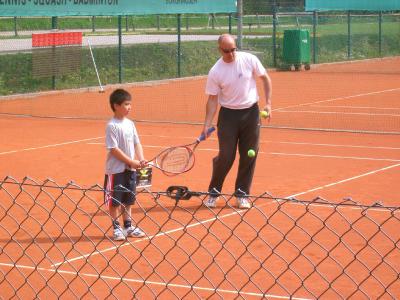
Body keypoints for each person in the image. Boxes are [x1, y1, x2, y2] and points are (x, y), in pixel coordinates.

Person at [202, 33, 272, 209]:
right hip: (228, 116)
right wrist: (207, 123)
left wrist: (268, 104)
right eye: (227, 51)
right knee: (226, 156)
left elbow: (265, 79)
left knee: (250, 154)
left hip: (251, 113)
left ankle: (242, 194)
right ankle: (213, 192)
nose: (231, 54)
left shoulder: (249, 59)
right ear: (220, 50)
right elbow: (212, 99)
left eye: (233, 49)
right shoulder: (216, 71)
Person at [104, 88, 146, 241]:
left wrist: (140, 159)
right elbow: (114, 149)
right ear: (116, 105)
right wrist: (131, 162)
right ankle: (116, 228)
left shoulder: (130, 124)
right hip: (115, 171)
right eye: (126, 104)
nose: (130, 107)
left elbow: (137, 143)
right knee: (114, 201)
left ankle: (128, 227)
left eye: (130, 104)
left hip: (130, 169)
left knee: (128, 200)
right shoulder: (112, 126)